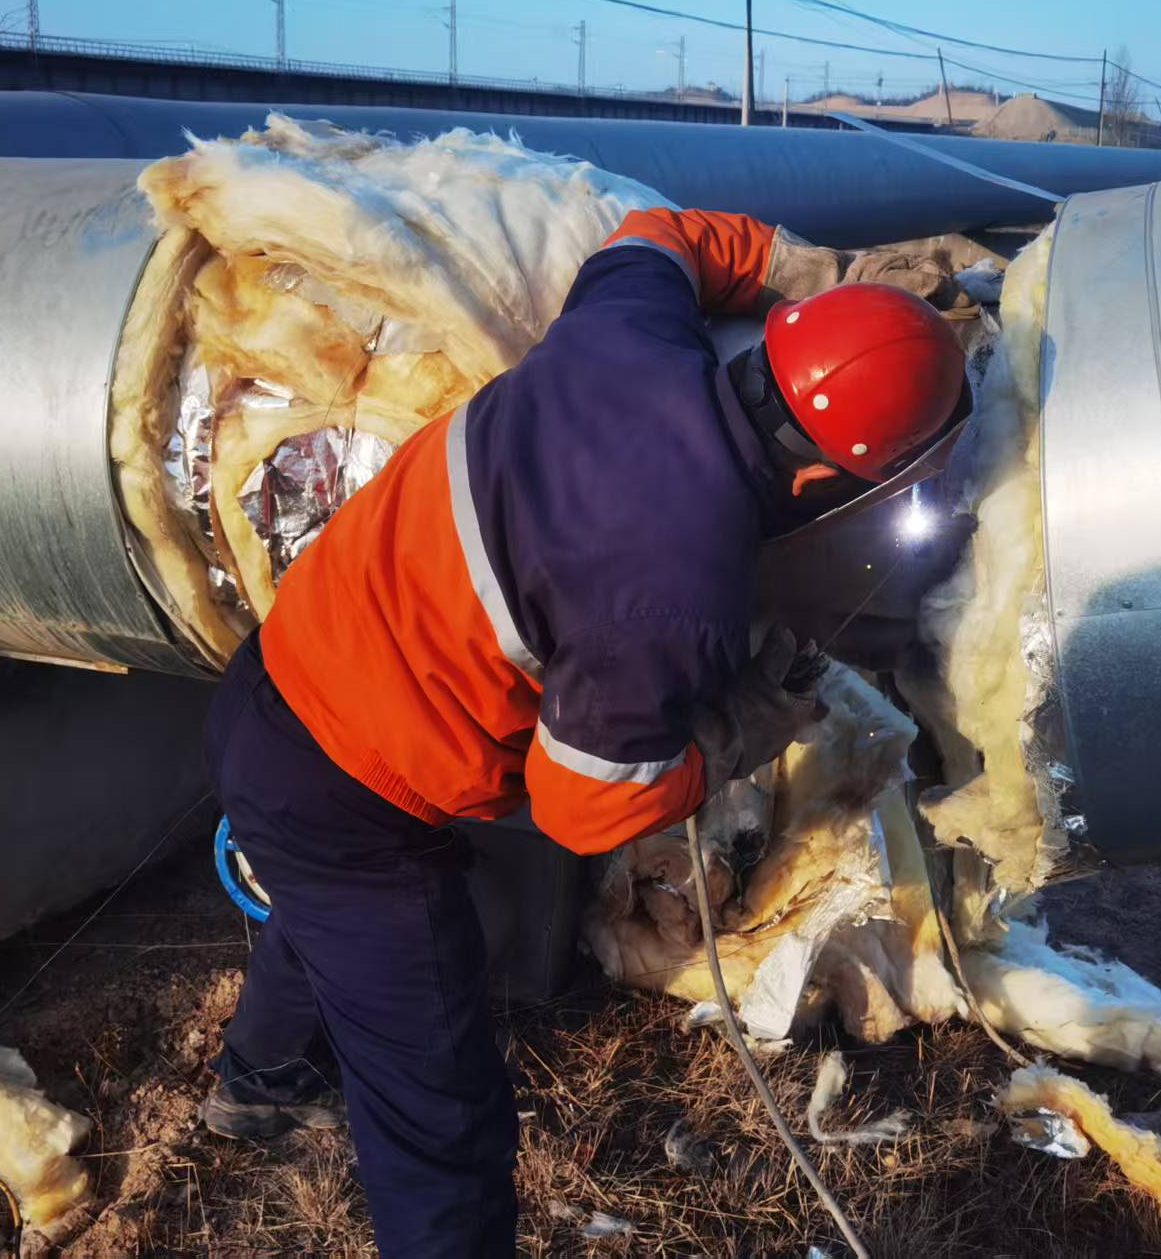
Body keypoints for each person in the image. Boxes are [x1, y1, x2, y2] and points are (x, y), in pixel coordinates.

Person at [198, 207, 969, 1256]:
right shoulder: (673, 586)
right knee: (443, 1112)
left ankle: (260, 1084)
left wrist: (805, 268)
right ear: (831, 478)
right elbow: (583, 805)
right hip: (350, 790)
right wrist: (738, 724)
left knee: (325, 915)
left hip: (278, 683)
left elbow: (656, 235)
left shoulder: (631, 332)